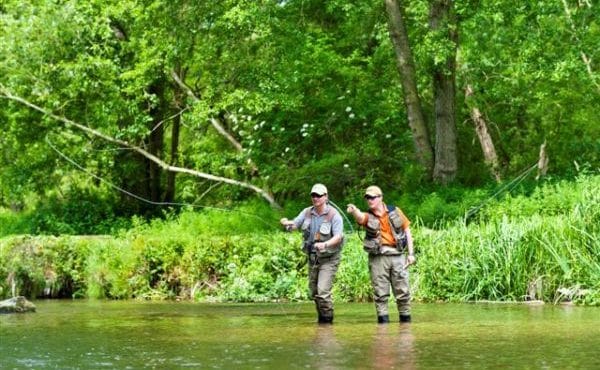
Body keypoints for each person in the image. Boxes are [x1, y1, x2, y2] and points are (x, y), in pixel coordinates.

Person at [346, 185, 416, 324]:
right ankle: (383, 333)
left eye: (372, 197)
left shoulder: (395, 211)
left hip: (398, 256)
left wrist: (411, 254)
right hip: (378, 258)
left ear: (380, 198)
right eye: (367, 198)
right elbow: (360, 218)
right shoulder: (368, 216)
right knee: (380, 294)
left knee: (403, 293)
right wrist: (354, 211)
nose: (369, 200)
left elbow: (407, 230)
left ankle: (406, 328)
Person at [280, 183, 344, 324]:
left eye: (319, 195)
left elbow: (338, 237)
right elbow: (295, 225)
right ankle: (322, 321)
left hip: (329, 259)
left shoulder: (334, 215)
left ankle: (327, 322)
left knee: (322, 291)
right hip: (313, 258)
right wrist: (287, 224)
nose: (315, 198)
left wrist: (325, 244)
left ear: (325, 197)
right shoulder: (307, 212)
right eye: (313, 195)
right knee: (314, 292)